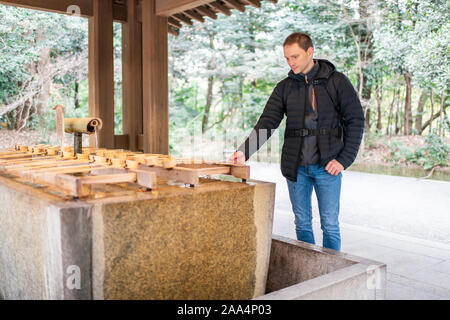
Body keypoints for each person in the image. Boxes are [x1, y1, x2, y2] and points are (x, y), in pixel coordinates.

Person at [229, 32, 365, 251]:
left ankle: (331, 274)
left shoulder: (336, 81)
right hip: (296, 168)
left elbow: (356, 120)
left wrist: (343, 160)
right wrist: (244, 151)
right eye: (287, 58)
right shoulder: (285, 87)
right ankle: (308, 272)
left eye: (295, 57)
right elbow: (267, 121)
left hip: (327, 167)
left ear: (310, 52)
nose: (291, 62)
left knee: (330, 225)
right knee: (302, 223)